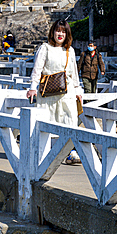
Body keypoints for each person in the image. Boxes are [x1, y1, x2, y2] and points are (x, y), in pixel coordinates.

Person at [27, 19, 84, 163]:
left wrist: (78, 90)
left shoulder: (69, 50)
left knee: (69, 119)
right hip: (47, 93)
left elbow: (73, 73)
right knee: (47, 120)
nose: (60, 34)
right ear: (52, 32)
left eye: (63, 31)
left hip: (67, 92)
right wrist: (33, 87)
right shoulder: (45, 48)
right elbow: (37, 70)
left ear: (67, 34)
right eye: (58, 30)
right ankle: (44, 154)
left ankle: (70, 152)